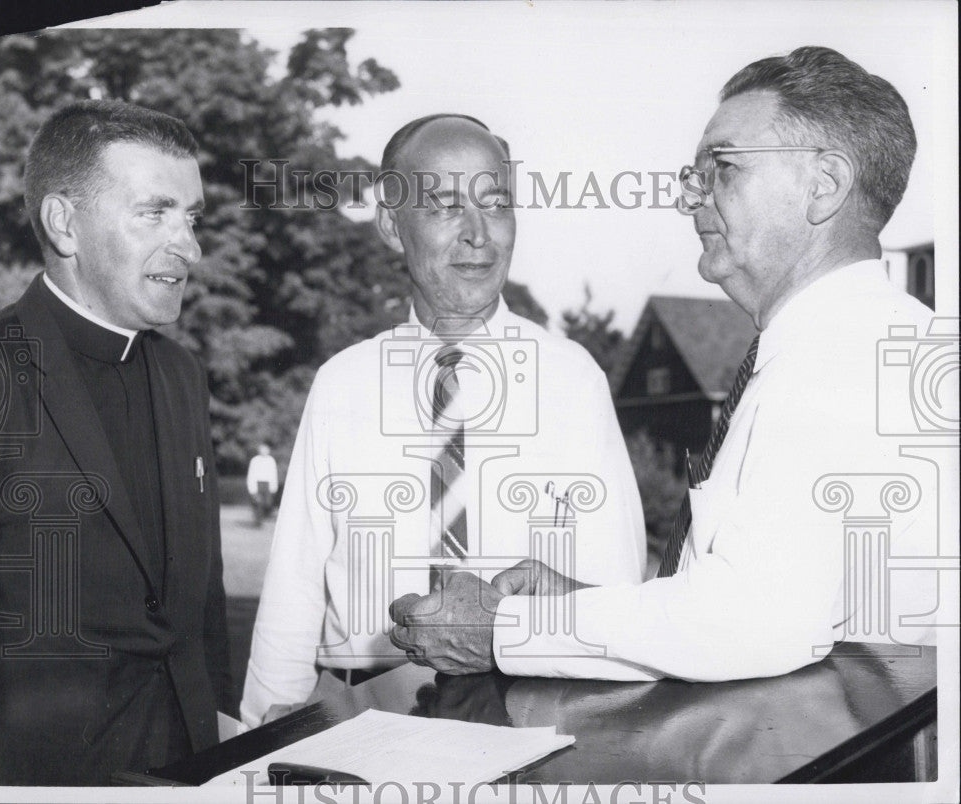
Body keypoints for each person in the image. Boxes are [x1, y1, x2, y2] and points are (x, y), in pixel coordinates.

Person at [390, 47, 955, 682]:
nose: (690, 197)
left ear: (824, 185)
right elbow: (755, 600)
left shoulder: (839, 362)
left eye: (724, 168)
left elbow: (753, 624)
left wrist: (503, 629)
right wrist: (577, 605)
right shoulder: (871, 343)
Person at [241, 114, 647, 725]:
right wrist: (259, 737)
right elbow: (293, 589)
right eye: (445, 206)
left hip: (521, 715)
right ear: (390, 224)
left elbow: (615, 595)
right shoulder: (343, 383)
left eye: (496, 203)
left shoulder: (573, 381)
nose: (478, 234)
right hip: (360, 718)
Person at [0, 99, 233, 785]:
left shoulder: (183, 376)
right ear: (65, 223)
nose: (189, 246)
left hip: (190, 767)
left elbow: (202, 600)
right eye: (155, 212)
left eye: (192, 217)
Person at [246, 443, 279, 525]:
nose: (264, 451)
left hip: (267, 484)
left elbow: (273, 473)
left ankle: (263, 516)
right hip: (257, 483)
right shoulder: (255, 460)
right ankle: (258, 521)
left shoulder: (271, 460)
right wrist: (252, 488)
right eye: (262, 450)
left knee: (267, 503)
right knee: (258, 502)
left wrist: (273, 486)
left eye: (266, 450)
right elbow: (251, 474)